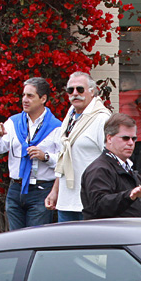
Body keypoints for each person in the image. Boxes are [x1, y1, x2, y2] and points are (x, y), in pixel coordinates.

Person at [0, 77, 63, 230]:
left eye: (30, 96)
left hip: (41, 190)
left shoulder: (57, 127)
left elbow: (64, 161)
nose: (25, 100)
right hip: (16, 189)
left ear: (43, 99)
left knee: (35, 240)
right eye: (23, 95)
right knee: (15, 241)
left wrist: (45, 157)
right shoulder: (13, 123)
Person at [45, 72, 111, 222]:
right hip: (66, 202)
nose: (75, 94)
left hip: (91, 202)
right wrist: (55, 191)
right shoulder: (69, 117)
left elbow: (111, 159)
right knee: (66, 246)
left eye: (80, 89)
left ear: (92, 91)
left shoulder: (102, 118)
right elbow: (64, 157)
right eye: (71, 90)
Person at [80, 113, 141, 219]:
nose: (131, 143)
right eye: (125, 138)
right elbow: (98, 207)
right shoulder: (99, 169)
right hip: (109, 233)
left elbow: (130, 209)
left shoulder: (127, 167)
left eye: (134, 139)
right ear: (109, 138)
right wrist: (129, 196)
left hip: (127, 231)